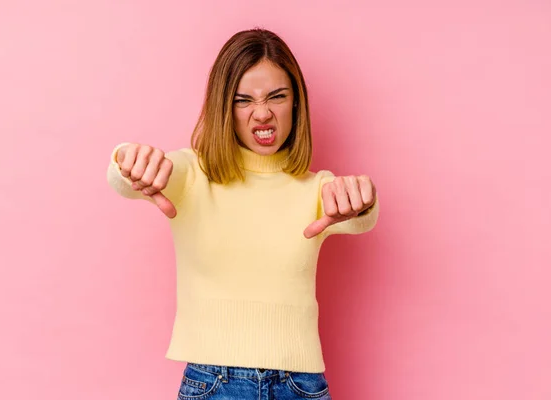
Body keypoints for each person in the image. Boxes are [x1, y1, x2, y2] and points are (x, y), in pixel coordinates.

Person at [107, 28, 379, 400]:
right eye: (243, 100)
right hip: (214, 384)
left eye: (277, 96)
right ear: (225, 108)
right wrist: (128, 161)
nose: (262, 113)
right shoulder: (192, 173)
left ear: (296, 103)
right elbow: (131, 177)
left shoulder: (318, 188)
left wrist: (363, 199)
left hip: (300, 387)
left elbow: (361, 215)